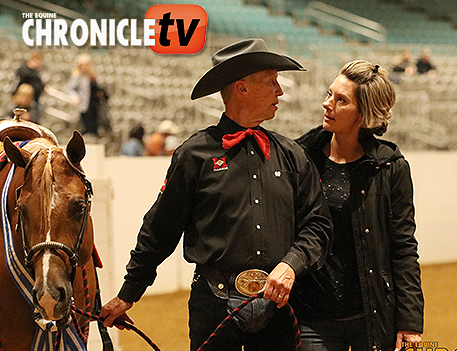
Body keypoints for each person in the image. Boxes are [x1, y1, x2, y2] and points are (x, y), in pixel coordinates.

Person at [101, 38, 333, 351]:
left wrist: (291, 265)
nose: (279, 92)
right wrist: (129, 293)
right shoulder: (195, 155)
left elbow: (318, 225)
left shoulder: (292, 155)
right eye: (272, 82)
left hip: (279, 304)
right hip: (214, 302)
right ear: (243, 88)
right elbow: (160, 229)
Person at [292, 60, 424, 351]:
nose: (327, 104)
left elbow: (403, 246)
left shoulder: (390, 167)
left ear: (364, 115)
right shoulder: (301, 158)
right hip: (312, 318)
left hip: (372, 316)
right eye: (329, 94)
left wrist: (410, 321)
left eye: (341, 100)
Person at [67, 54, 100, 136]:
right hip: (84, 103)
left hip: (94, 103)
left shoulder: (92, 75)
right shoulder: (77, 76)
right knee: (86, 122)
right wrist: (74, 97)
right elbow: (70, 88)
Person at [9, 50, 46, 123]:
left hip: (34, 99)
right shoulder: (23, 71)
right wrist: (15, 94)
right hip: (23, 95)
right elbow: (15, 84)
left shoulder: (36, 73)